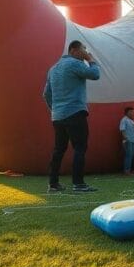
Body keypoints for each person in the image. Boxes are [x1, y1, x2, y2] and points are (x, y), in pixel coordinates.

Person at [43, 40, 100, 192]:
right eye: (84, 49)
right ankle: (78, 183)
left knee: (59, 150)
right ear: (74, 50)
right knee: (80, 147)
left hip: (58, 116)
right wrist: (91, 60)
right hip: (75, 112)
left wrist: (54, 109)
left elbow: (46, 94)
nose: (86, 52)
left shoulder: (53, 69)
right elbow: (95, 75)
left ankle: (53, 184)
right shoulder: (75, 64)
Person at [119, 106, 134, 175]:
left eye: (133, 112)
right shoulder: (124, 120)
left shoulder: (132, 121)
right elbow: (122, 130)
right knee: (128, 155)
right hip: (128, 140)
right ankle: (126, 171)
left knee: (132, 154)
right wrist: (125, 139)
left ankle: (129, 169)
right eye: (131, 112)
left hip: (133, 140)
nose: (133, 113)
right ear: (127, 112)